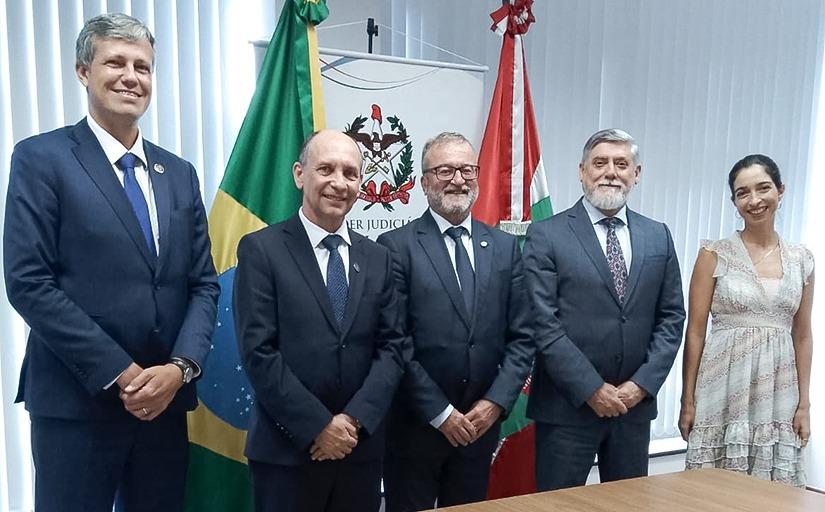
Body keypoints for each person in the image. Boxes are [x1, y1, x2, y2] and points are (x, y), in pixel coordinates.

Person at [3, 13, 219, 512]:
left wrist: (180, 369)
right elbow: (29, 282)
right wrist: (123, 373)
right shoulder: (42, 159)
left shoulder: (179, 174)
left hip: (163, 407)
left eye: (143, 67)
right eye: (115, 62)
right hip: (78, 404)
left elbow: (203, 285)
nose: (131, 76)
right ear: (83, 71)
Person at [233, 129, 405, 512]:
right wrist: (319, 427)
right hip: (287, 452)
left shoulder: (379, 258)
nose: (339, 183)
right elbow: (258, 352)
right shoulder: (262, 250)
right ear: (299, 174)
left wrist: (353, 422)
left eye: (350, 172)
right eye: (326, 169)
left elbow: (393, 348)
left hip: (359, 452)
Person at [376, 132, 534, 511]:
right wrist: (442, 414)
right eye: (445, 170)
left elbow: (523, 337)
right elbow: (395, 341)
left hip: (480, 428)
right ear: (424, 181)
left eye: (466, 169)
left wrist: (495, 403)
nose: (458, 180)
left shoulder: (503, 247)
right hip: (415, 428)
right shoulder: (395, 246)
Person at [522, 128, 686, 491]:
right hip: (568, 409)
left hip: (633, 410)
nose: (610, 171)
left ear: (636, 174)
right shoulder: (546, 235)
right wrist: (592, 388)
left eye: (621, 163)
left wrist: (640, 386)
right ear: (582, 171)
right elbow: (542, 322)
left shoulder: (658, 235)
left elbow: (672, 317)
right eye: (600, 163)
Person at [679, 154, 813, 487]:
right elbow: (695, 332)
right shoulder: (714, 253)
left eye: (763, 188)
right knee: (713, 491)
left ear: (780, 191)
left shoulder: (802, 260)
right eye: (743, 193)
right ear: (734, 201)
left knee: (772, 495)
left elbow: (803, 336)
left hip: (778, 394)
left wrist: (804, 404)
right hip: (721, 389)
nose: (754, 200)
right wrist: (687, 400)